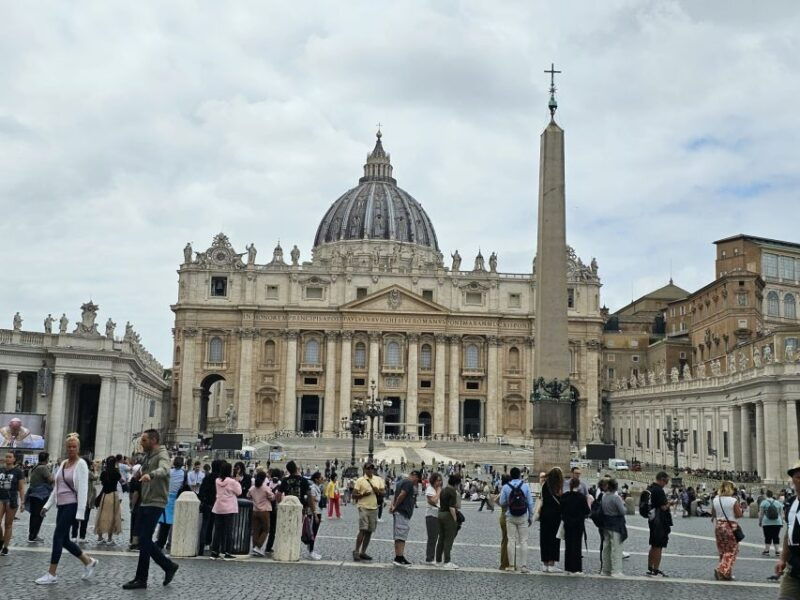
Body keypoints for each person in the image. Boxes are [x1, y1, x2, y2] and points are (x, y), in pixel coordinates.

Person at [34, 434, 98, 585]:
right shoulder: (63, 463)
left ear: (78, 448)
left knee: (57, 537)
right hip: (61, 505)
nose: (71, 449)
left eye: (74, 447)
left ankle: (52, 574)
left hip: (72, 505)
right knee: (64, 540)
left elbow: (83, 489)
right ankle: (88, 561)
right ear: (66, 448)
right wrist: (47, 506)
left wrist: (80, 513)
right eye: (69, 446)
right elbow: (57, 488)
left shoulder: (81, 464)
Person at [122, 429, 179, 590]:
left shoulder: (162, 454)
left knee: (145, 539)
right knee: (143, 540)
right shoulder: (148, 455)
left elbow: (164, 469)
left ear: (154, 440)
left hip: (156, 501)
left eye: (144, 440)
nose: (141, 443)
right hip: (146, 500)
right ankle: (164, 568)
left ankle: (145, 577)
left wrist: (151, 475)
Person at [499, 466, 534, 573]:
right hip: (523, 516)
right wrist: (530, 517)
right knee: (523, 541)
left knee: (511, 540)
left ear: (511, 475)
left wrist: (510, 502)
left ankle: (511, 565)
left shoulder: (506, 487)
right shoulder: (525, 486)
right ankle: (523, 566)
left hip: (510, 515)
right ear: (519, 475)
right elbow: (530, 503)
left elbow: (502, 502)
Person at [776, 460, 800, 598]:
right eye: (798, 477)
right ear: (793, 480)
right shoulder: (791, 502)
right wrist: (782, 559)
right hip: (793, 568)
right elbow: (789, 533)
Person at [711, 480, 744, 581]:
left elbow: (713, 514)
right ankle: (721, 569)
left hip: (718, 526)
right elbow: (738, 515)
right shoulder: (733, 500)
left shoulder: (715, 499)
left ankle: (726, 573)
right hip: (730, 526)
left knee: (723, 551)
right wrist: (742, 509)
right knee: (732, 550)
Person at [352, 463, 384, 562]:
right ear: (364, 470)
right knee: (363, 529)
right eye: (368, 468)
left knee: (369, 531)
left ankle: (363, 552)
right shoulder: (360, 480)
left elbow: (383, 493)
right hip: (363, 507)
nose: (370, 470)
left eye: (372, 468)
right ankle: (356, 551)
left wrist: (378, 491)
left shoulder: (379, 479)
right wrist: (363, 494)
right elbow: (353, 495)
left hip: (374, 508)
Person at [210, 461, 241, 560]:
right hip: (229, 508)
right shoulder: (232, 482)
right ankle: (227, 551)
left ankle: (214, 552)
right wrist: (237, 481)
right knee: (228, 531)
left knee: (218, 530)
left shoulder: (217, 480)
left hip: (219, 507)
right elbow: (239, 492)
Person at [389, 470, 420, 567]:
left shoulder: (401, 482)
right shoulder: (409, 483)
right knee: (401, 536)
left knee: (399, 535)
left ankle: (400, 556)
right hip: (402, 512)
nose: (417, 483)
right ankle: (399, 558)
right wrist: (395, 506)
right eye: (418, 480)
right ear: (415, 476)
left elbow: (395, 495)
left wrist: (392, 506)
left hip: (400, 512)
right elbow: (402, 495)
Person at [646, 471, 672, 577]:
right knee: (658, 546)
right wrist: (670, 503)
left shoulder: (650, 488)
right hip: (660, 521)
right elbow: (663, 507)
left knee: (653, 545)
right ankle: (655, 569)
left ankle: (650, 567)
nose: (666, 483)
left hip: (652, 520)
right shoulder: (658, 490)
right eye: (666, 481)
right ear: (661, 479)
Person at [561, 476, 590, 574]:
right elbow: (587, 511)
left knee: (568, 545)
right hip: (578, 524)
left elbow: (561, 509)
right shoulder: (581, 497)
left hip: (567, 523)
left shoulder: (565, 496)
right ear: (578, 485)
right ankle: (576, 568)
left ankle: (568, 567)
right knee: (577, 546)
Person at [600, 477, 627, 577]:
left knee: (606, 547)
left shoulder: (604, 496)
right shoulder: (616, 498)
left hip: (606, 524)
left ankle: (605, 569)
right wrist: (624, 505)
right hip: (616, 524)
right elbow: (623, 511)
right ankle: (616, 570)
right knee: (616, 548)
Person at [157, 456, 186, 550]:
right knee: (176, 523)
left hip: (166, 498)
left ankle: (160, 542)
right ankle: (171, 543)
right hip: (178, 499)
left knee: (164, 523)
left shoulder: (169, 472)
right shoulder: (184, 474)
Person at [0, 450, 25, 554]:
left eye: (10, 457)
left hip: (11, 500)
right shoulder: (1, 469)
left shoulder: (18, 471)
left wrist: (22, 502)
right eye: (6, 457)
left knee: (8, 524)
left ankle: (5, 547)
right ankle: (1, 539)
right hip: (0, 498)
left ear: (14, 459)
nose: (7, 459)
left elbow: (21, 488)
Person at [539, 467, 563, 573]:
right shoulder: (558, 487)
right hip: (555, 516)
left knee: (544, 538)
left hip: (544, 514)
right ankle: (551, 564)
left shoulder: (545, 485)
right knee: (554, 539)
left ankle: (544, 563)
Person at [94, 456, 122, 545]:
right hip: (113, 495)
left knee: (101, 515)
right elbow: (119, 478)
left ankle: (100, 537)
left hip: (104, 495)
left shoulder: (104, 473)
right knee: (112, 516)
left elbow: (102, 482)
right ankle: (109, 538)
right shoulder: (116, 473)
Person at [435, 473, 461, 569]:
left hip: (440, 514)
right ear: (456, 483)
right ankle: (447, 561)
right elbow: (452, 507)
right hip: (448, 515)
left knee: (441, 538)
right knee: (448, 539)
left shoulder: (444, 490)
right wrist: (455, 519)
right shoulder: (452, 491)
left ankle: (438, 560)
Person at [26, 452, 52, 543]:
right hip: (40, 495)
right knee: (39, 515)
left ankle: (32, 535)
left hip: (34, 494)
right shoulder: (43, 467)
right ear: (47, 459)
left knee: (34, 515)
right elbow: (50, 479)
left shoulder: (36, 466)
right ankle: (33, 536)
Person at [247, 468, 275, 556]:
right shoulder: (265, 488)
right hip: (264, 511)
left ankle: (254, 547)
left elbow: (248, 496)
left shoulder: (252, 488)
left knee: (256, 530)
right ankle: (258, 547)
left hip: (255, 510)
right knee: (266, 529)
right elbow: (272, 497)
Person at [198, 459, 221, 555]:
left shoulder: (207, 477)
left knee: (205, 524)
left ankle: (202, 544)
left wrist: (202, 500)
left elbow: (201, 491)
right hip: (217, 503)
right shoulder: (220, 479)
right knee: (215, 525)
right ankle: (211, 543)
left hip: (207, 503)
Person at [424, 472, 442, 565]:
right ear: (433, 480)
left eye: (440, 480)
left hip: (438, 515)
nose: (439, 482)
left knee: (436, 538)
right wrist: (438, 491)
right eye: (437, 480)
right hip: (431, 516)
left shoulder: (437, 489)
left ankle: (432, 557)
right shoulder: (430, 489)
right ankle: (429, 558)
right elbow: (434, 501)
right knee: (432, 538)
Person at [759, 489, 784, 557]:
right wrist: (782, 522)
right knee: (776, 536)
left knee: (767, 536)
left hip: (766, 522)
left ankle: (766, 551)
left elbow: (761, 514)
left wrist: (760, 522)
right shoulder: (778, 502)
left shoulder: (764, 502)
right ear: (772, 495)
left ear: (766, 495)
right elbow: (781, 514)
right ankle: (777, 551)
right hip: (777, 522)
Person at [306, 471, 323, 560]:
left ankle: (311, 549)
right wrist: (315, 515)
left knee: (314, 532)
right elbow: (312, 501)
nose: (322, 479)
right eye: (320, 478)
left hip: (317, 511)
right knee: (313, 532)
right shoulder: (313, 488)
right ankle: (311, 551)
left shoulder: (317, 487)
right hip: (314, 512)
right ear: (316, 479)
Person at [498, 474, 511, 571]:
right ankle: (505, 564)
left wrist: (503, 508)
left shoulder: (503, 488)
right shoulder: (507, 488)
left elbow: (497, 500)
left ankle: (504, 562)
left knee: (505, 540)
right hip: (508, 515)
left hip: (503, 515)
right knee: (508, 540)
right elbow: (501, 502)